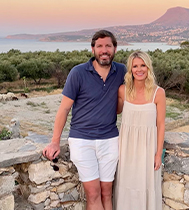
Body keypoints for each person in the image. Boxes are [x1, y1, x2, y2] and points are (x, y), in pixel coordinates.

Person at [43, 30, 126, 210]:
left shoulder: (121, 71)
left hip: (110, 140)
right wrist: (55, 142)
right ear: (92, 49)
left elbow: (121, 107)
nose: (104, 50)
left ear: (115, 49)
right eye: (100, 46)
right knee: (93, 193)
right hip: (82, 141)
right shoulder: (78, 72)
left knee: (106, 192)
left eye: (108, 46)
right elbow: (64, 109)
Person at [114, 50, 165, 210]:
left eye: (143, 65)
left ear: (148, 67)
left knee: (146, 186)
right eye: (135, 66)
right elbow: (116, 111)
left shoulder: (159, 93)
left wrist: (158, 154)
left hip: (148, 149)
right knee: (126, 186)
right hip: (126, 149)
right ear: (130, 70)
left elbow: (161, 124)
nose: (139, 69)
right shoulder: (123, 90)